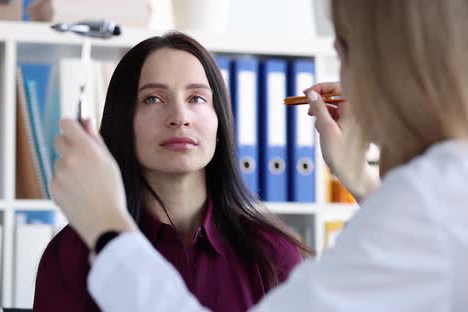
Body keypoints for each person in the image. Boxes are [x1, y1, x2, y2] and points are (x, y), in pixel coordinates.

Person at [50, 0, 468, 311]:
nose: (179, 117)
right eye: (154, 99)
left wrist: (107, 230)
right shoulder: (438, 198)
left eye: (343, 53)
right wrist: (358, 177)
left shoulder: (431, 204)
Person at [34, 32, 313, 311]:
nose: (180, 117)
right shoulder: (70, 254)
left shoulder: (272, 254)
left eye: (196, 98)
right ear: (124, 121)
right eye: (153, 99)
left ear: (220, 123)